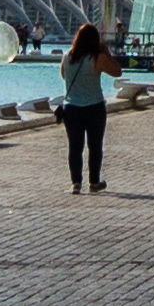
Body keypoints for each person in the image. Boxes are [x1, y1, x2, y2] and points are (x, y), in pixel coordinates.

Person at [56, 20, 115, 194]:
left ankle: (76, 182)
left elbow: (63, 75)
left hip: (71, 107)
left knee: (75, 146)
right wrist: (106, 52)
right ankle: (94, 181)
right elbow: (117, 71)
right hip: (94, 106)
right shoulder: (97, 57)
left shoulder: (67, 56)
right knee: (95, 146)